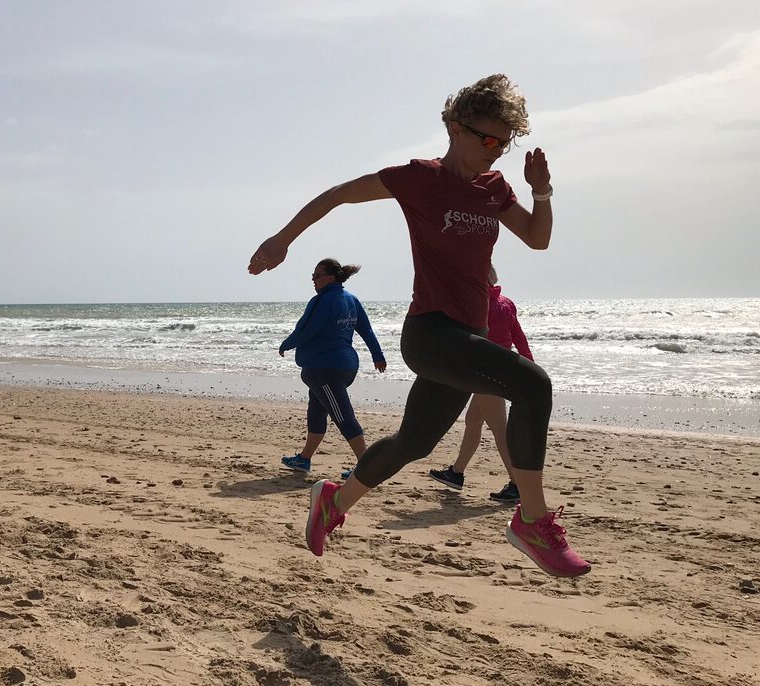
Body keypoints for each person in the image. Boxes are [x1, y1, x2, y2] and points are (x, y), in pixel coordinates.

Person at [249, 74, 589, 577]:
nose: (496, 151)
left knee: (415, 443)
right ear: (454, 126)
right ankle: (533, 521)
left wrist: (543, 192)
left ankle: (332, 501)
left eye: (505, 141)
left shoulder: (493, 187)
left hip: (467, 338)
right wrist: (282, 239)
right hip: (430, 333)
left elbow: (537, 239)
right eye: (488, 139)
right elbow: (340, 194)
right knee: (533, 383)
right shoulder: (418, 179)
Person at [429, 263, 533, 504]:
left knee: (500, 429)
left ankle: (518, 484)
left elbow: (465, 338)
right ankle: (456, 473)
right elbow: (518, 335)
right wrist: (528, 363)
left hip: (486, 371)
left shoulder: (477, 304)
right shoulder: (506, 303)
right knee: (473, 421)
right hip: (499, 369)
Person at [279, 259, 386, 475]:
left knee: (342, 415)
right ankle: (304, 459)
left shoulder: (323, 300)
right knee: (316, 412)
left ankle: (366, 468)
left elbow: (306, 329)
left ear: (330, 277)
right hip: (343, 367)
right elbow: (366, 329)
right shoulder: (351, 299)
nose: (313, 281)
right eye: (313, 276)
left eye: (316, 276)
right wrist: (378, 355)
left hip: (325, 369)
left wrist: (286, 344)